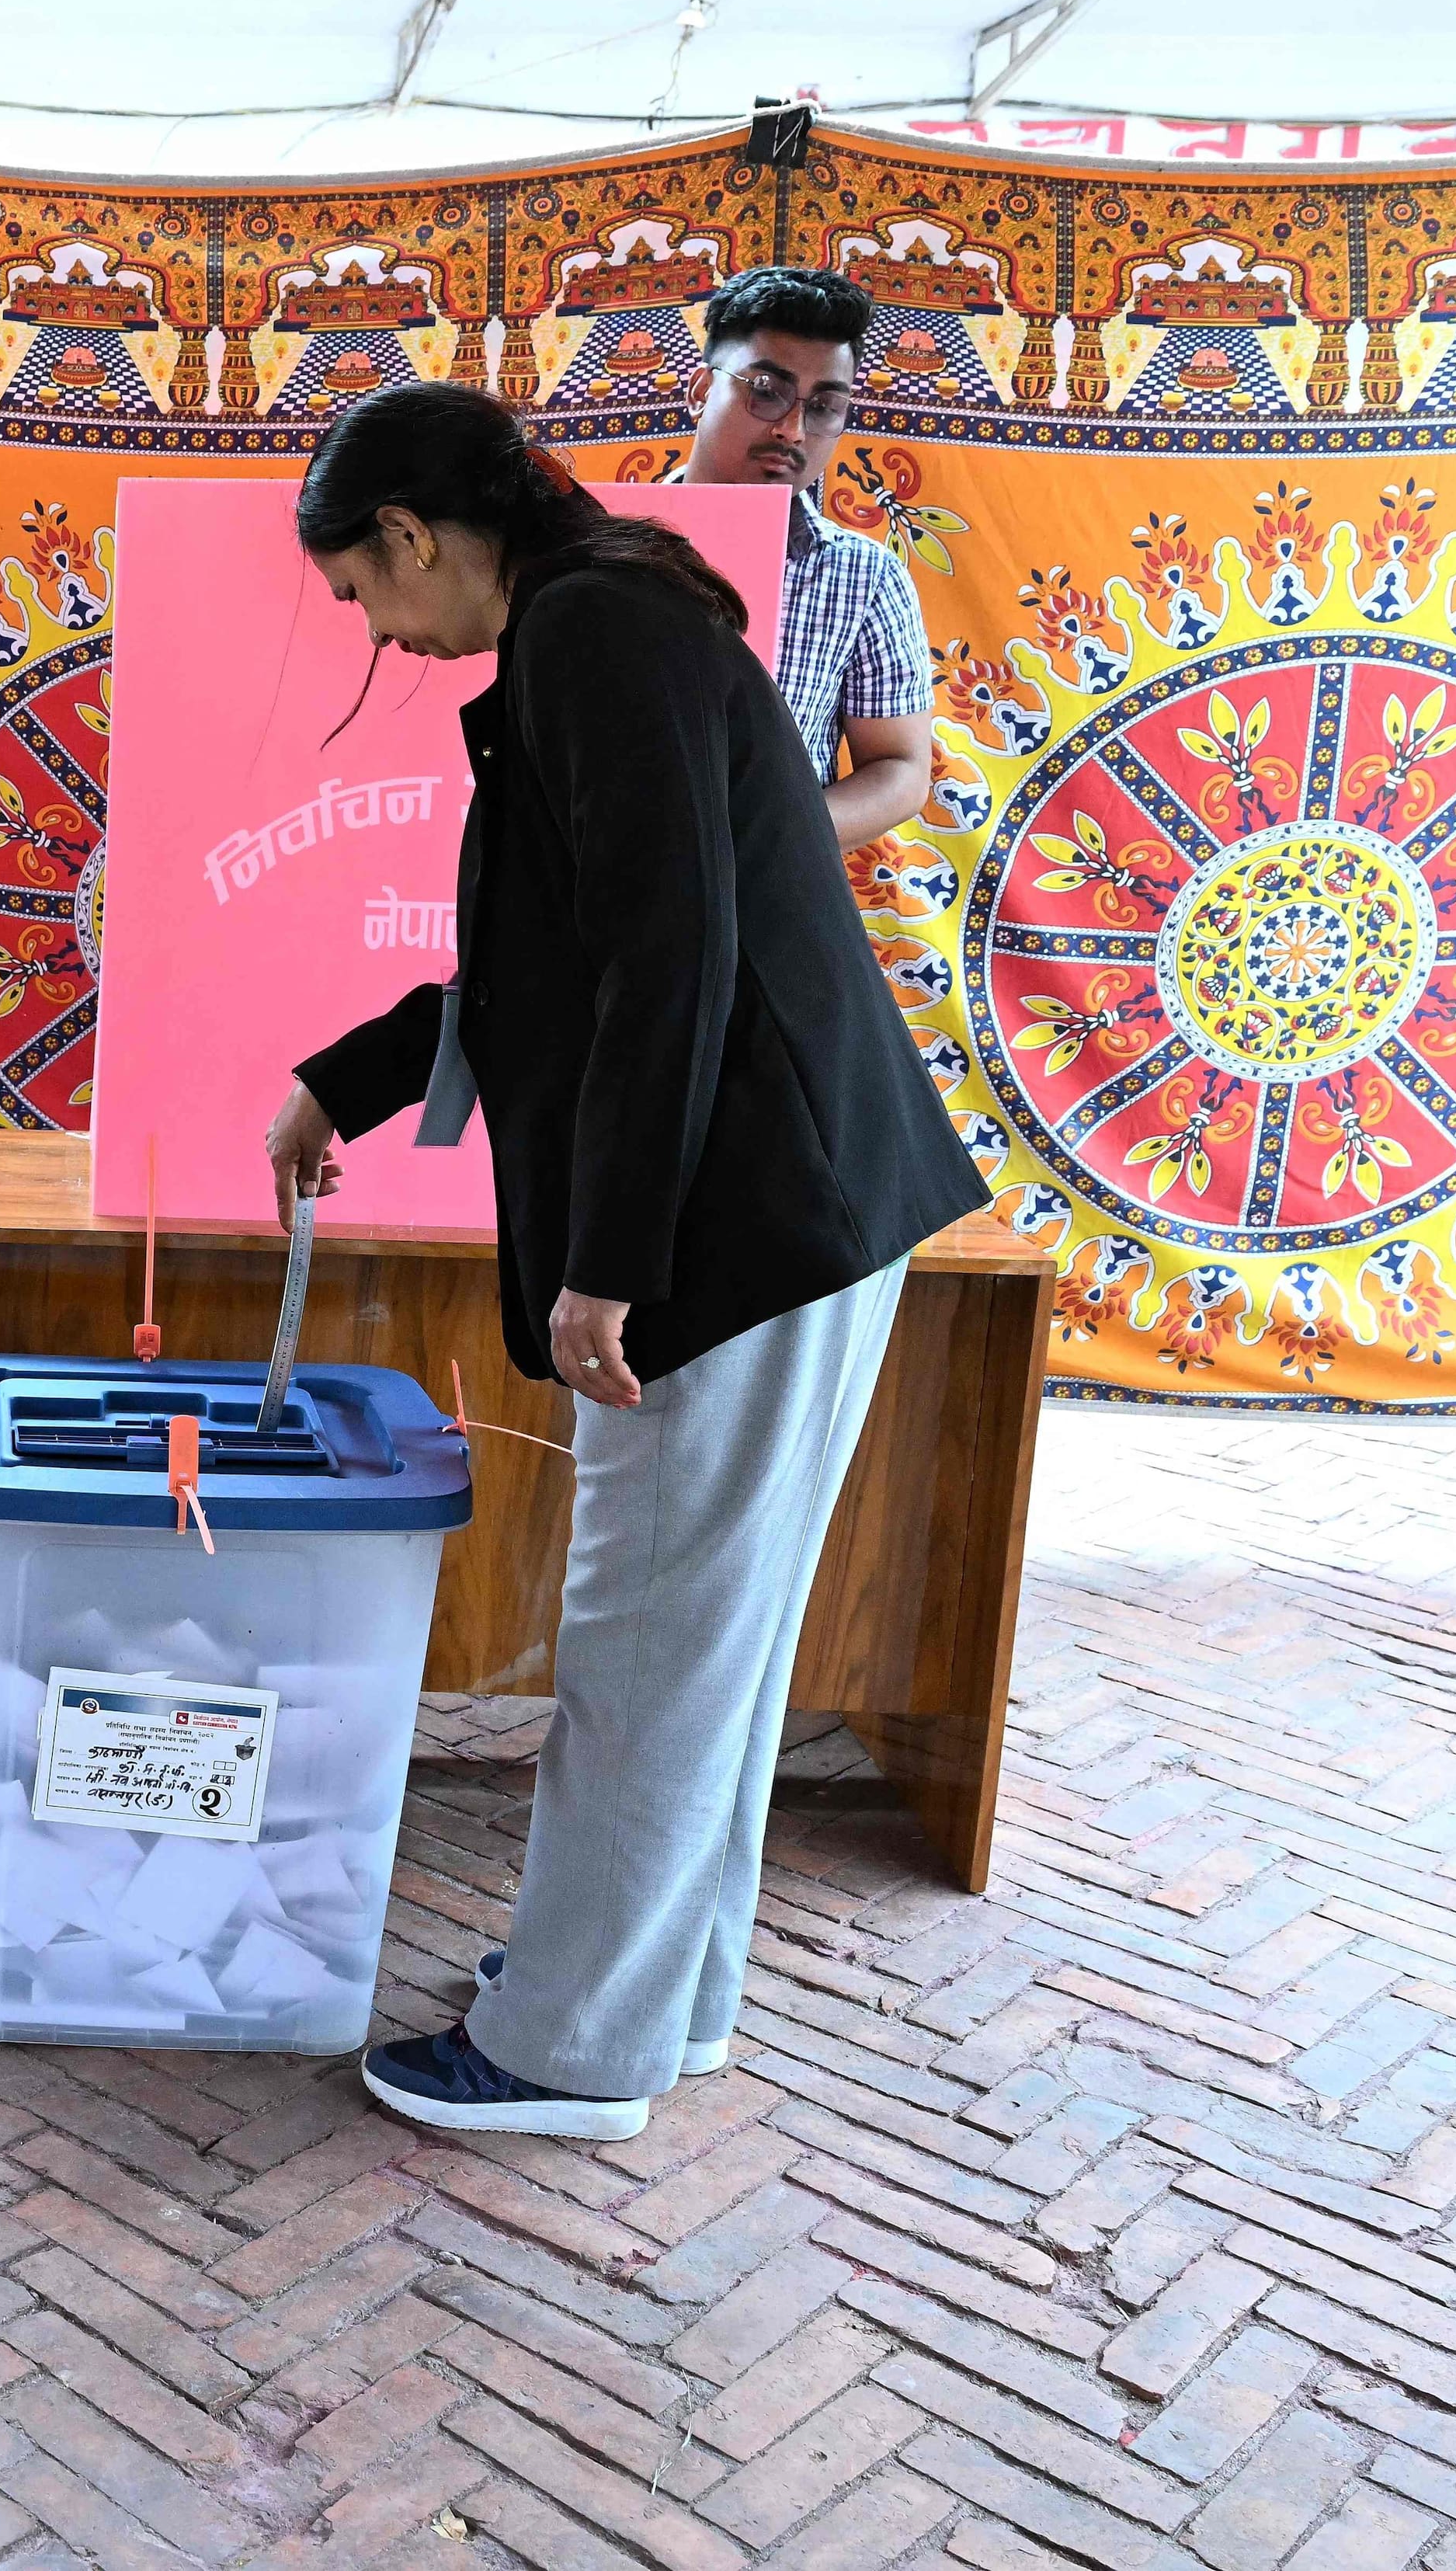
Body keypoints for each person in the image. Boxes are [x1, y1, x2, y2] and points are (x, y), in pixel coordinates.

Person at [260, 381, 988, 2141]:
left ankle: (570, 2049)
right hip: (787, 1207)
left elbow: (673, 963)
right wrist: (340, 1079)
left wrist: (609, 1264)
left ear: (417, 536)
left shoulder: (594, 636)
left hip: (732, 1227)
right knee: (705, 1637)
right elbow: (554, 967)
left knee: (652, 1635)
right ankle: (671, 1999)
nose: (369, 624)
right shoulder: (607, 628)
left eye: (361, 586)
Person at [672, 266, 936, 849]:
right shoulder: (592, 543)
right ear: (700, 392)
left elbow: (900, 768)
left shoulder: (864, 576)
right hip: (595, 898)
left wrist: (758, 838)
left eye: (823, 408)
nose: (793, 430)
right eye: (765, 393)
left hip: (768, 915)